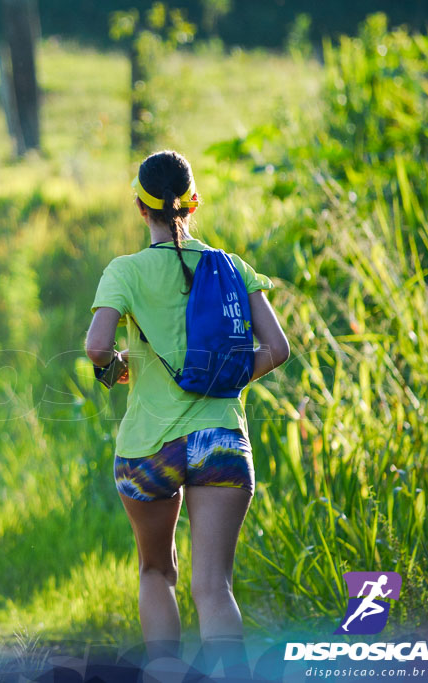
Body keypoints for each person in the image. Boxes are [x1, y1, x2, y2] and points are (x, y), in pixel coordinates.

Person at [85, 150, 289, 678]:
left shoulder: (125, 271)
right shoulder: (230, 267)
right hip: (221, 442)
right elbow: (278, 348)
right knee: (213, 587)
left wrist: (116, 369)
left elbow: (96, 346)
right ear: (192, 202)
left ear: (140, 206)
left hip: (148, 449)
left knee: (156, 572)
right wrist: (223, 380)